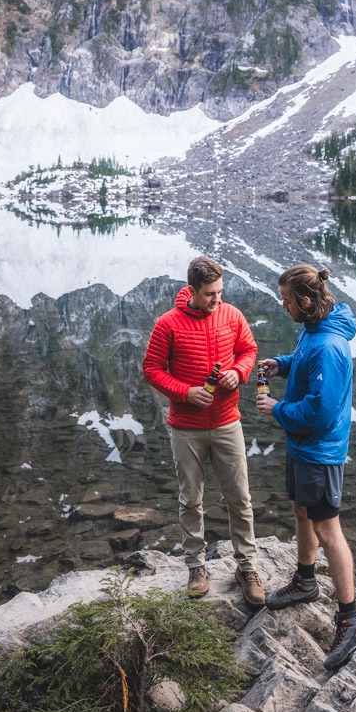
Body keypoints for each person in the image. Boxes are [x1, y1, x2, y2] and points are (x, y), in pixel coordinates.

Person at [256, 263, 356, 671]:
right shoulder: (314, 330)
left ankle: (351, 616)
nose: (282, 305)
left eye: (286, 300)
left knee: (328, 528)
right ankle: (306, 580)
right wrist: (282, 364)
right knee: (302, 511)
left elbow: (320, 412)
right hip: (303, 448)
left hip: (320, 451)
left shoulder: (330, 347)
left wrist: (278, 408)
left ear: (305, 301)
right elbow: (305, 361)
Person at [143, 255, 265, 608]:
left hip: (227, 421)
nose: (218, 299)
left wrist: (239, 372)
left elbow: (249, 350)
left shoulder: (232, 315)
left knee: (240, 499)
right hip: (186, 428)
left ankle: (247, 567)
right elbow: (152, 369)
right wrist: (184, 392)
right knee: (190, 500)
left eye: (220, 292)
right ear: (193, 290)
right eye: (211, 294)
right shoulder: (168, 324)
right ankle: (197, 568)